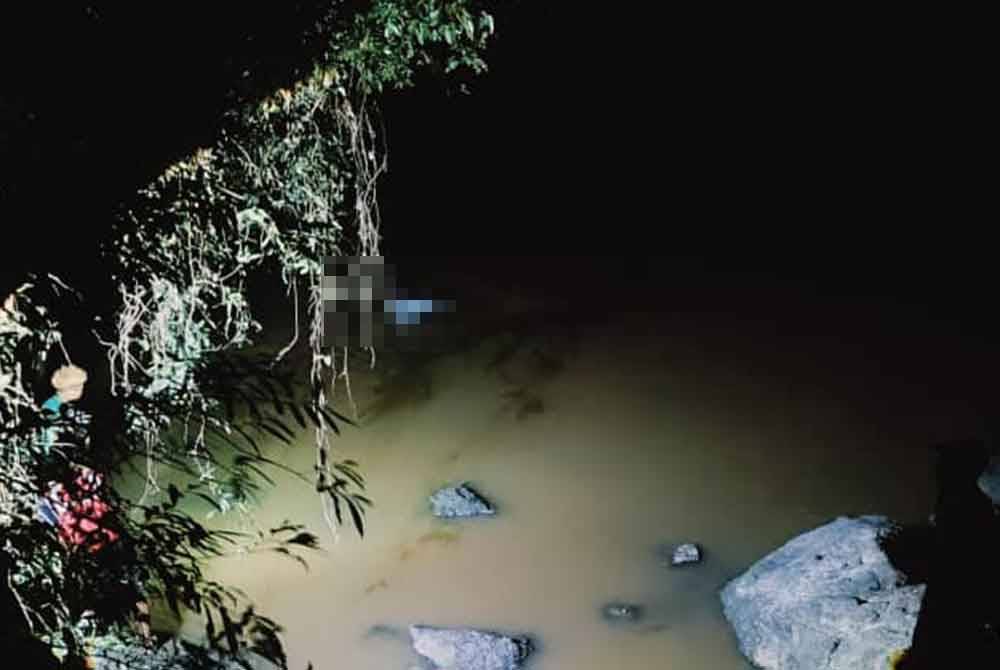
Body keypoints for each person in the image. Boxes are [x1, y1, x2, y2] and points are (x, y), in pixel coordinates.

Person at [34, 364, 153, 646]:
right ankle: (120, 632)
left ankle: (137, 634)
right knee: (117, 577)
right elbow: (49, 451)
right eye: (77, 386)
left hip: (89, 525)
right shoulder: (51, 413)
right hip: (84, 523)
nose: (81, 391)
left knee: (120, 576)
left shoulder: (74, 418)